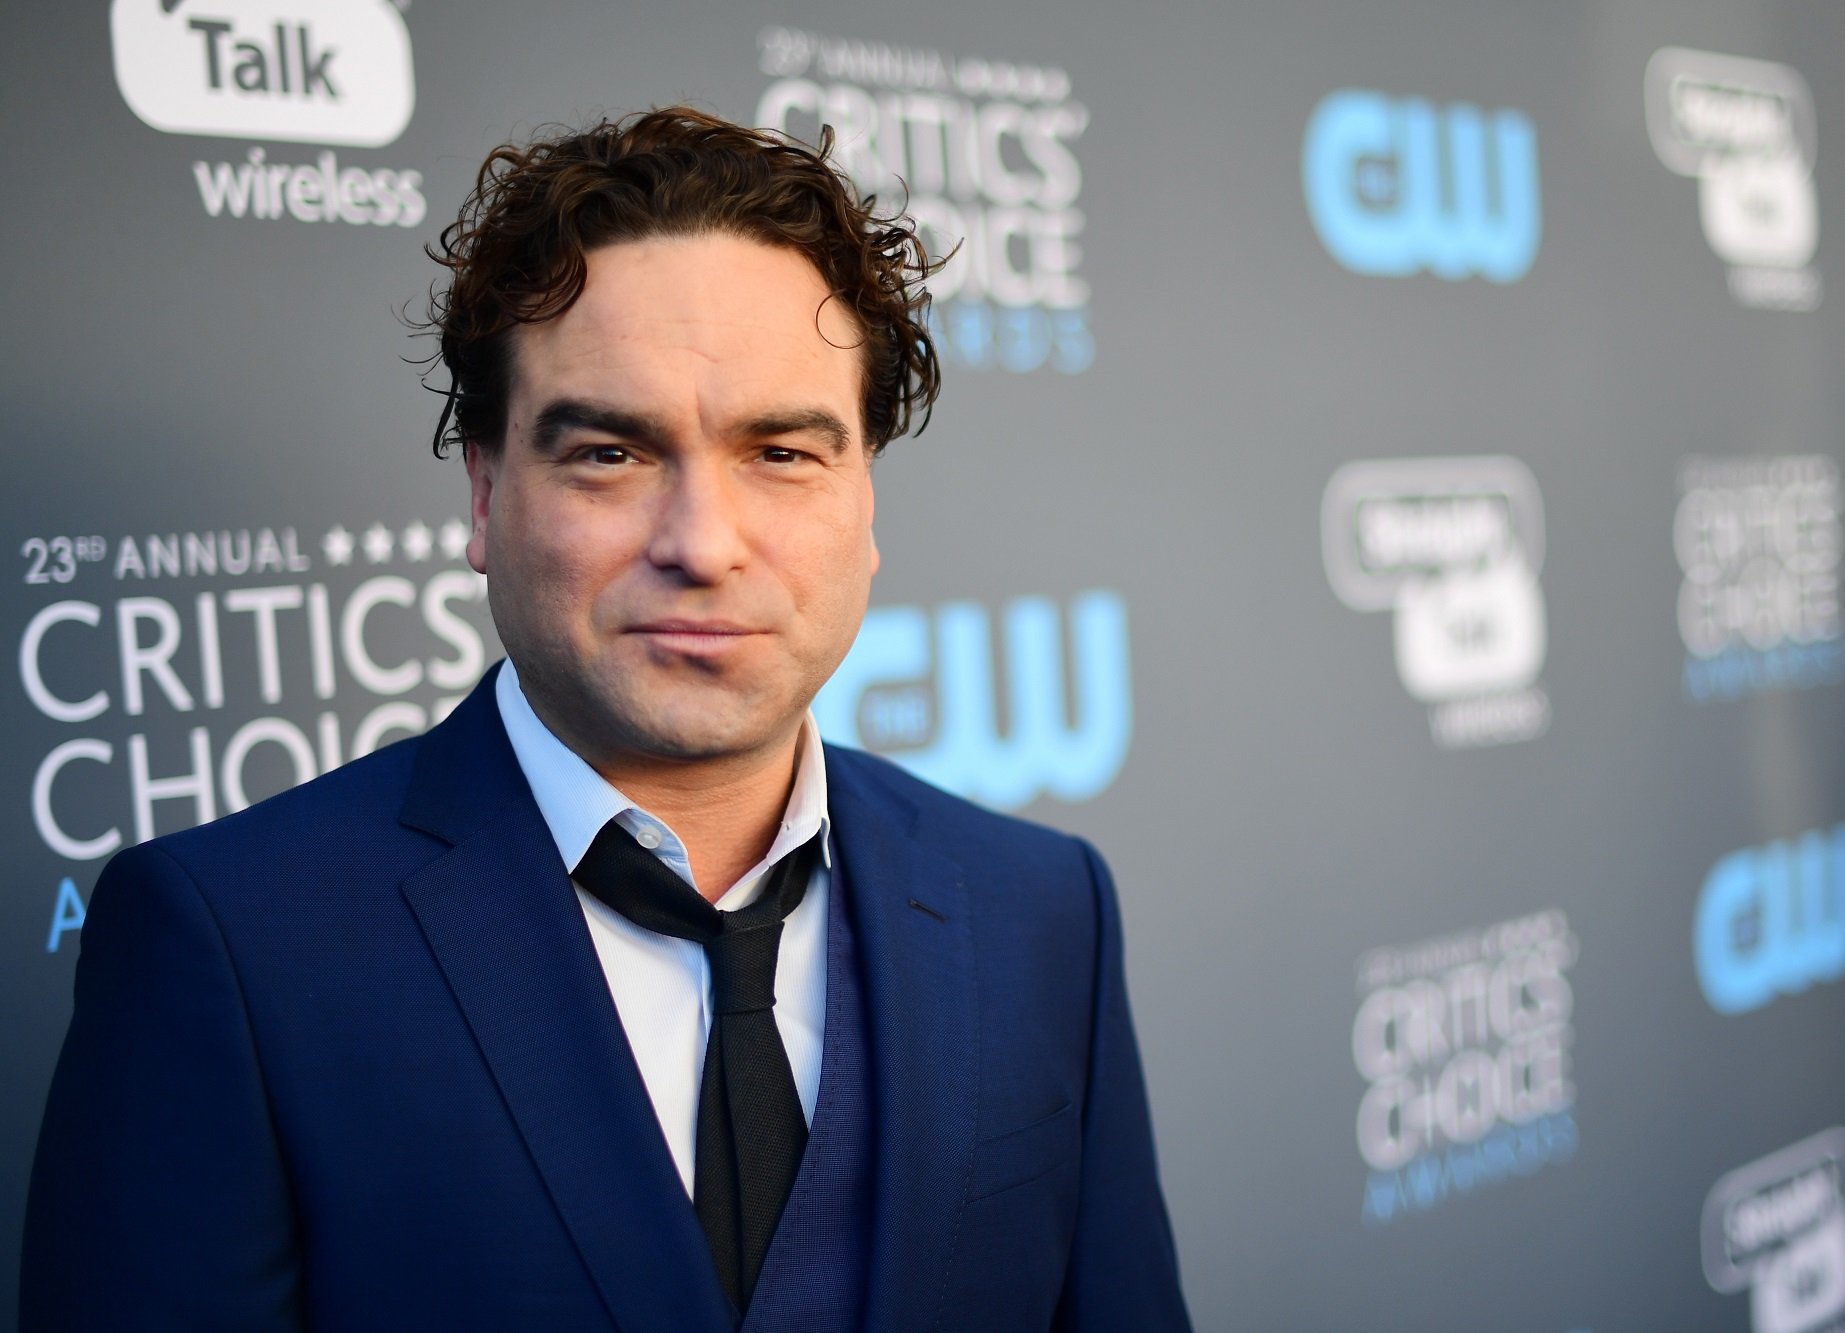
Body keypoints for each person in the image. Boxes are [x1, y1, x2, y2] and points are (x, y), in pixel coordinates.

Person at [19, 107, 1190, 1330]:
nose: (701, 544)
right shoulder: (232, 946)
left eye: (781, 451)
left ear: (863, 496)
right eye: (611, 454)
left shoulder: (1040, 906)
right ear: (484, 492)